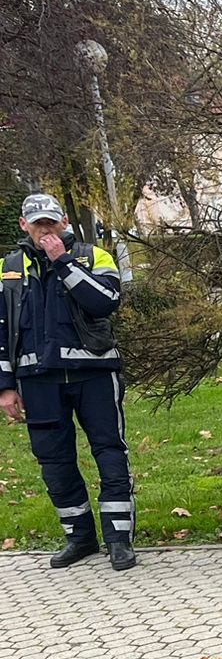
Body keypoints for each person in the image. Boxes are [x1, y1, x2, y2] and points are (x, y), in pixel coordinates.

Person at [0, 193, 133, 569]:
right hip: (38, 380)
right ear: (24, 225)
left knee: (109, 452)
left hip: (94, 374)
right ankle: (79, 538)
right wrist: (5, 386)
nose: (45, 229)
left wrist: (62, 261)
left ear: (64, 223)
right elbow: (1, 330)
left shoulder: (94, 256)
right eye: (37, 223)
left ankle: (119, 539)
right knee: (54, 463)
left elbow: (105, 301)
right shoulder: (8, 268)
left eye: (51, 222)